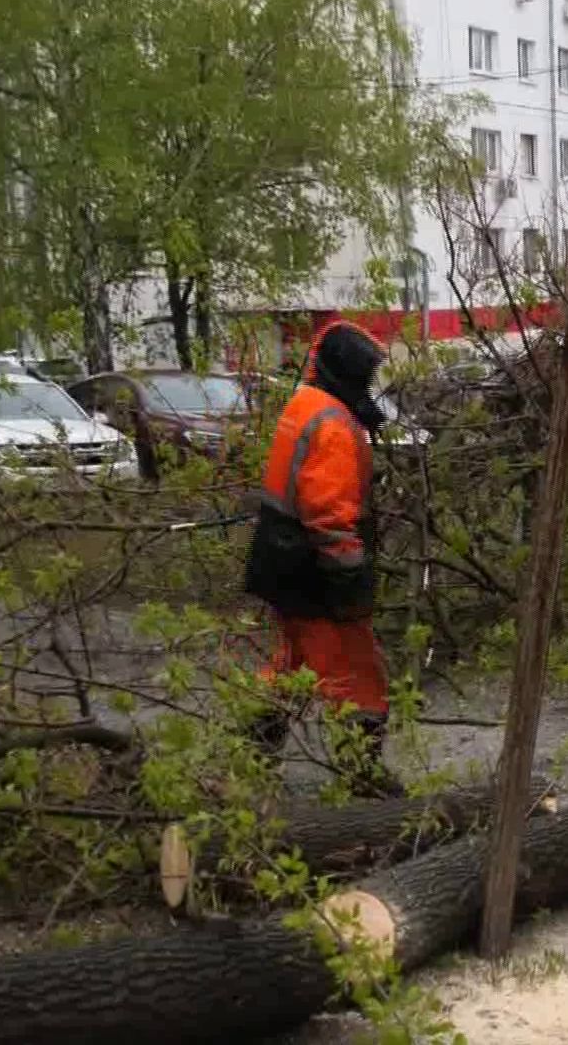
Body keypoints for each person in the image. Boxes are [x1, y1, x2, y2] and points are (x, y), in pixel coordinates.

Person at [244, 320, 400, 797]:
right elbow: (329, 517)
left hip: (279, 561)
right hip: (313, 570)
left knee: (290, 665)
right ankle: (362, 774)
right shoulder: (333, 426)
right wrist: (351, 585)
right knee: (356, 673)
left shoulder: (304, 405)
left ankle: (250, 760)